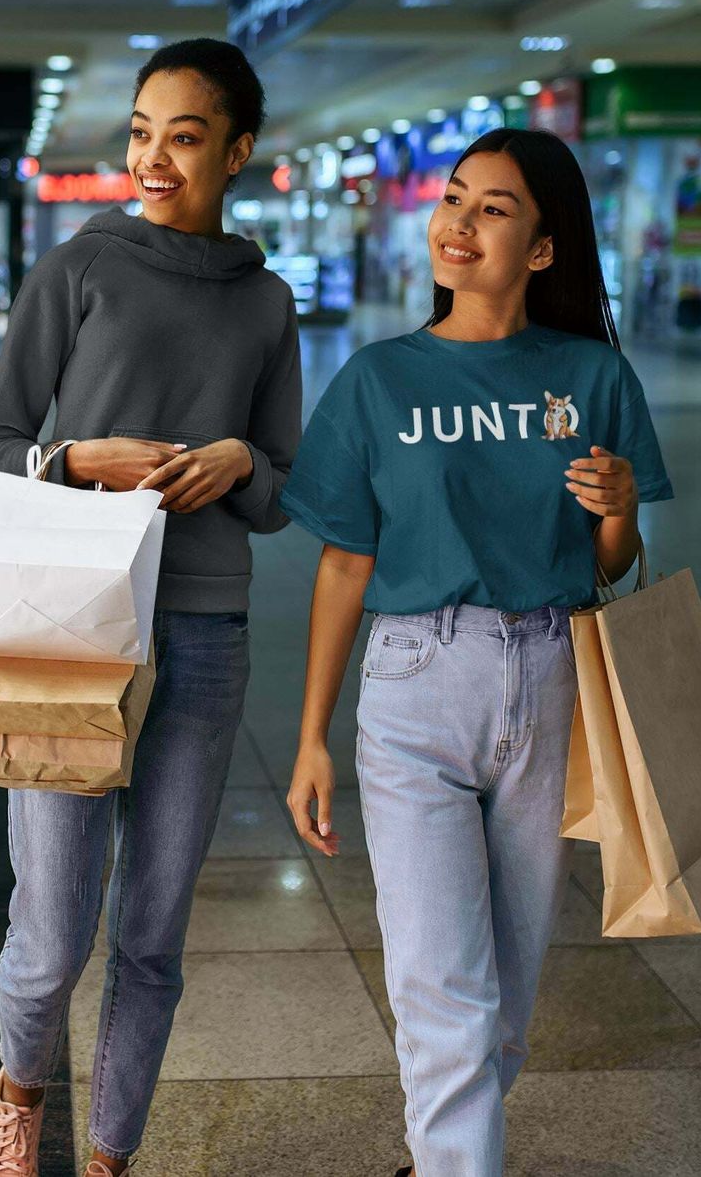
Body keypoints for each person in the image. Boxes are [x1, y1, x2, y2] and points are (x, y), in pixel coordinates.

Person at [281, 128, 673, 1177]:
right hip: (414, 682)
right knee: (439, 982)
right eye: (454, 198)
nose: (457, 221)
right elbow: (343, 566)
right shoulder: (377, 379)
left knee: (504, 983)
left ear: (542, 248)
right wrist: (311, 736)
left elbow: (610, 559)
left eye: (492, 207)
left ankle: (440, 1147)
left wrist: (620, 508)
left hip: (548, 675)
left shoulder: (590, 374)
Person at [0, 37, 302, 1177]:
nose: (154, 155)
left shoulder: (266, 301)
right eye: (142, 130)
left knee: (151, 934)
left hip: (205, 630)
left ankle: (111, 1153)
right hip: (69, 620)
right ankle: (17, 1089)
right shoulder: (78, 267)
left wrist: (236, 461)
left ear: (238, 150)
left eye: (186, 133)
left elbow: (281, 489)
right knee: (54, 932)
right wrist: (71, 460)